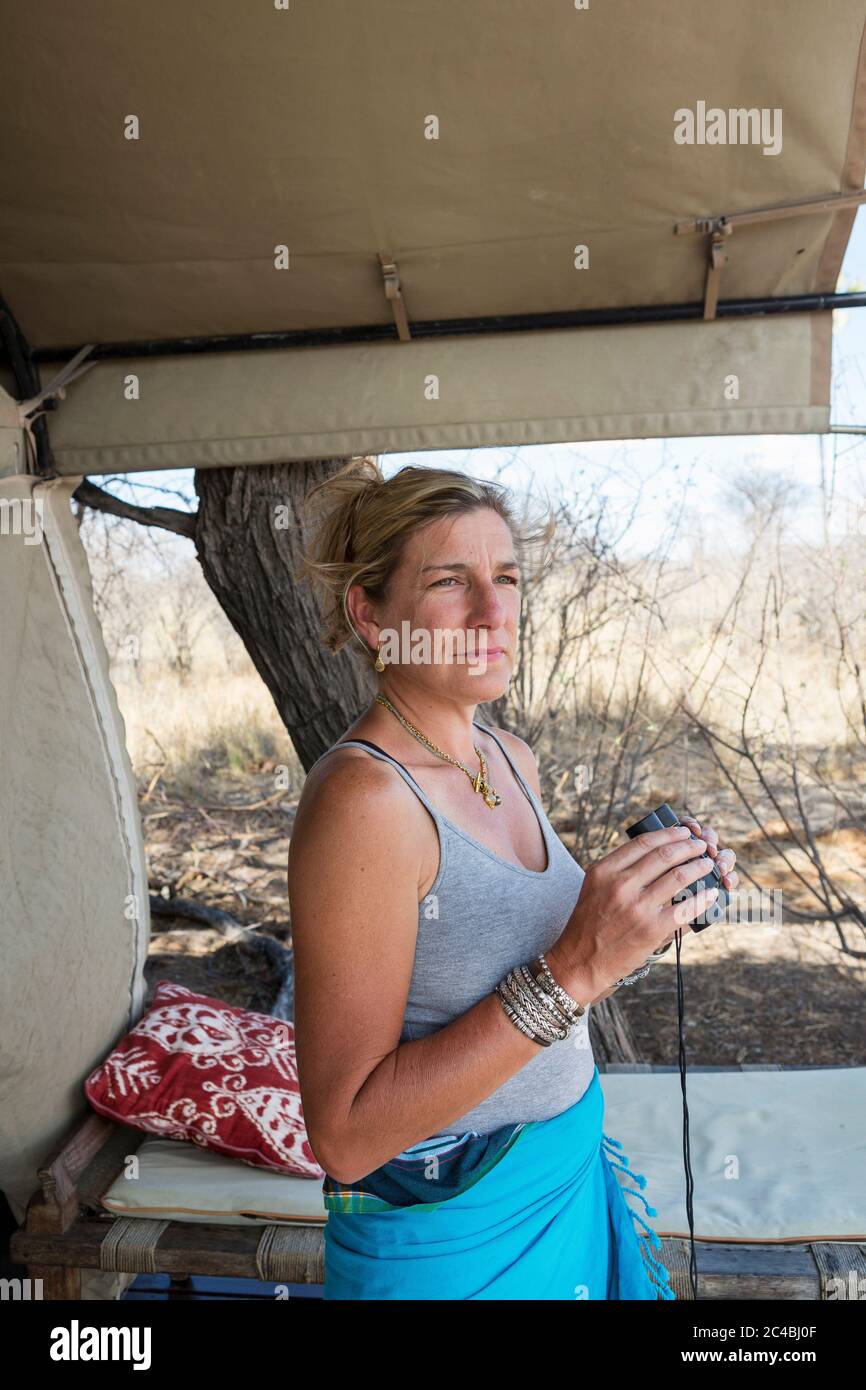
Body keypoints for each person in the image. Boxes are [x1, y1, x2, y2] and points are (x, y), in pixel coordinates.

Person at [287, 457, 738, 1300]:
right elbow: (345, 1136)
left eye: (507, 577)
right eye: (452, 581)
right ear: (372, 615)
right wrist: (575, 970)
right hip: (456, 1238)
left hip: (566, 1179)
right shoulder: (366, 800)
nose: (495, 611)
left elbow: (548, 969)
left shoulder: (507, 756)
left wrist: (648, 902)